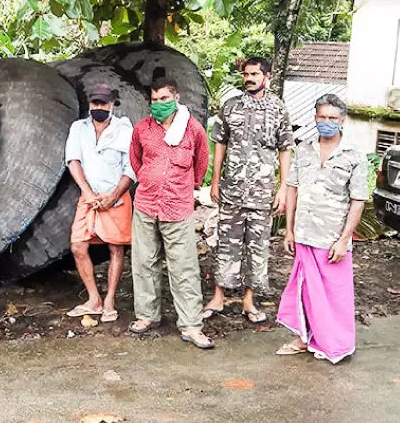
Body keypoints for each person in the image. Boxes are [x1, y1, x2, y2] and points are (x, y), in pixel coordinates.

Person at [276, 94, 367, 364]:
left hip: (332, 239)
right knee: (305, 291)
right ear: (315, 117)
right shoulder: (303, 148)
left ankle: (336, 344)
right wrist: (289, 230)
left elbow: (358, 199)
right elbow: (292, 190)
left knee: (336, 296)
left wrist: (344, 239)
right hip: (305, 234)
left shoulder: (354, 154)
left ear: (342, 120)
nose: (326, 122)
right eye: (322, 117)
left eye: (332, 118)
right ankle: (304, 339)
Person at [205, 56, 293, 324]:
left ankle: (249, 301)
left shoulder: (278, 108)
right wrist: (216, 181)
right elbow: (220, 143)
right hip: (232, 190)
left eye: (254, 74)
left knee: (257, 248)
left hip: (262, 193)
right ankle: (218, 297)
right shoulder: (231, 106)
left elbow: (285, 149)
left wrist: (282, 188)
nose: (249, 79)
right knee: (226, 244)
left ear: (266, 76)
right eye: (245, 75)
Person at [128, 78, 214, 349]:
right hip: (145, 203)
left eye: (164, 99)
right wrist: (148, 178)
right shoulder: (142, 128)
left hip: (177, 206)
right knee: (144, 262)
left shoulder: (193, 129)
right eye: (154, 100)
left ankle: (190, 324)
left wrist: (187, 186)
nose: (159, 104)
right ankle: (147, 315)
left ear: (176, 98)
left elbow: (201, 162)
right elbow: (135, 159)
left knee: (184, 266)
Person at [63, 84, 135, 323]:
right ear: (90, 104)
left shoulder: (124, 129)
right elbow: (73, 160)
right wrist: (88, 193)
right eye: (95, 103)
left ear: (112, 104)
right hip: (89, 198)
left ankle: (110, 300)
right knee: (78, 246)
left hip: (115, 198)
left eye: (103, 103)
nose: (99, 108)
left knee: (116, 248)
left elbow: (131, 168)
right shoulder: (78, 128)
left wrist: (113, 195)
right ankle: (93, 299)